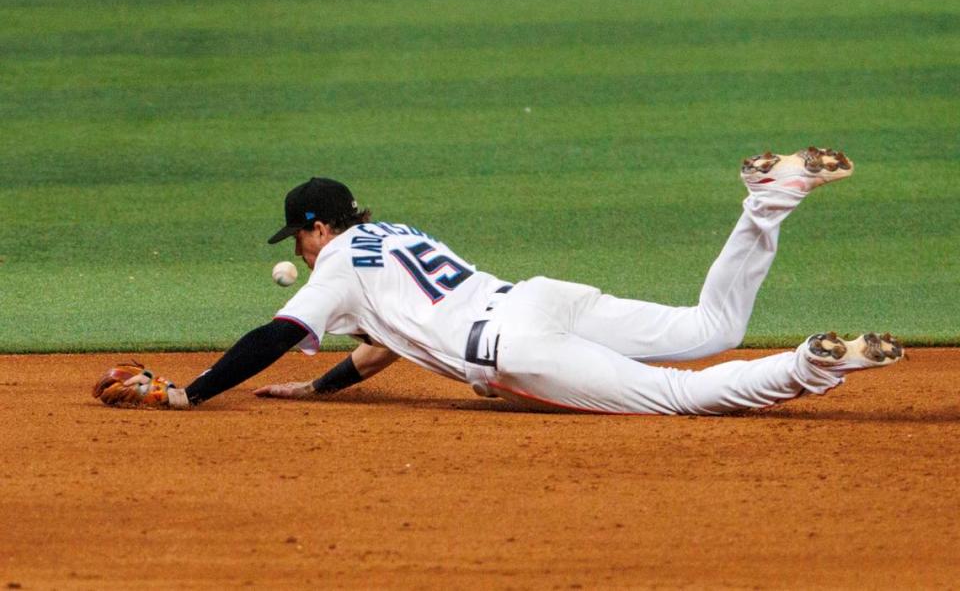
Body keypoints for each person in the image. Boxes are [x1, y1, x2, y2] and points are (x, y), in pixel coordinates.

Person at [98, 147, 903, 414]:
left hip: (518, 346)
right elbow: (388, 342)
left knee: (680, 397)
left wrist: (188, 394)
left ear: (315, 229)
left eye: (299, 239)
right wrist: (322, 390)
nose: (302, 254)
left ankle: (813, 363)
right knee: (710, 329)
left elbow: (273, 336)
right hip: (542, 297)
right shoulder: (395, 233)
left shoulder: (339, 261)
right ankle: (768, 201)